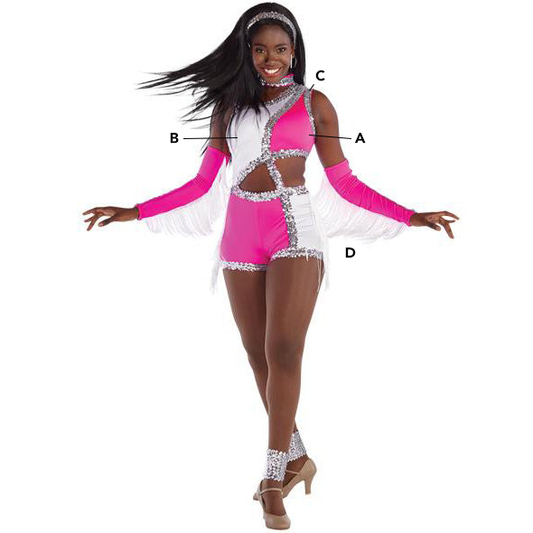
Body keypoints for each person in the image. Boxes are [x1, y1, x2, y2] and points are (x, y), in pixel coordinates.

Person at [83, 3, 459, 529]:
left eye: (280, 49)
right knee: (257, 355)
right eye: (260, 50)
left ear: (295, 51)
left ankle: (272, 477)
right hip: (240, 233)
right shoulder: (227, 107)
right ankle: (299, 455)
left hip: (294, 229)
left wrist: (410, 216)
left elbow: (345, 183)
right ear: (247, 52)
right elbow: (201, 184)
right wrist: (134, 211)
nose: (270, 59)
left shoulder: (315, 104)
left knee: (283, 349)